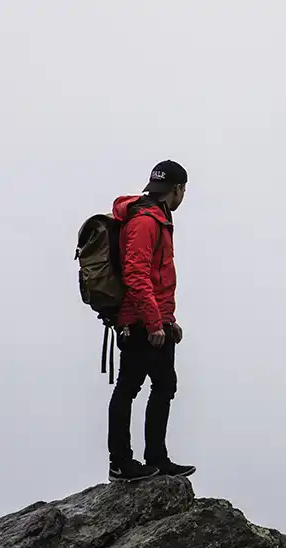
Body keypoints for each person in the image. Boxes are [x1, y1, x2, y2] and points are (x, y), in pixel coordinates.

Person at [105, 160, 196, 482]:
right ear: (179, 189)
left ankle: (156, 459)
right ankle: (121, 463)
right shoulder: (145, 221)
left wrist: (168, 320)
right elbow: (136, 274)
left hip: (154, 317)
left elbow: (157, 278)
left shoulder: (157, 218)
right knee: (129, 387)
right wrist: (154, 322)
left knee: (164, 385)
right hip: (139, 319)